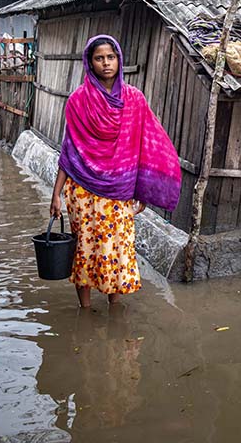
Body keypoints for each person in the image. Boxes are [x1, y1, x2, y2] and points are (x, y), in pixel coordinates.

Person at [50, 35, 181, 308]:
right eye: (99, 58)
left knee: (117, 249)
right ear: (90, 62)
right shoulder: (77, 101)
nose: (106, 63)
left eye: (111, 57)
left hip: (119, 191)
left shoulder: (134, 99)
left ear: (119, 60)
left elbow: (148, 142)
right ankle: (85, 309)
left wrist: (143, 189)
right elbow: (69, 151)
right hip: (82, 190)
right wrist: (56, 195)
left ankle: (114, 306)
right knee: (85, 247)